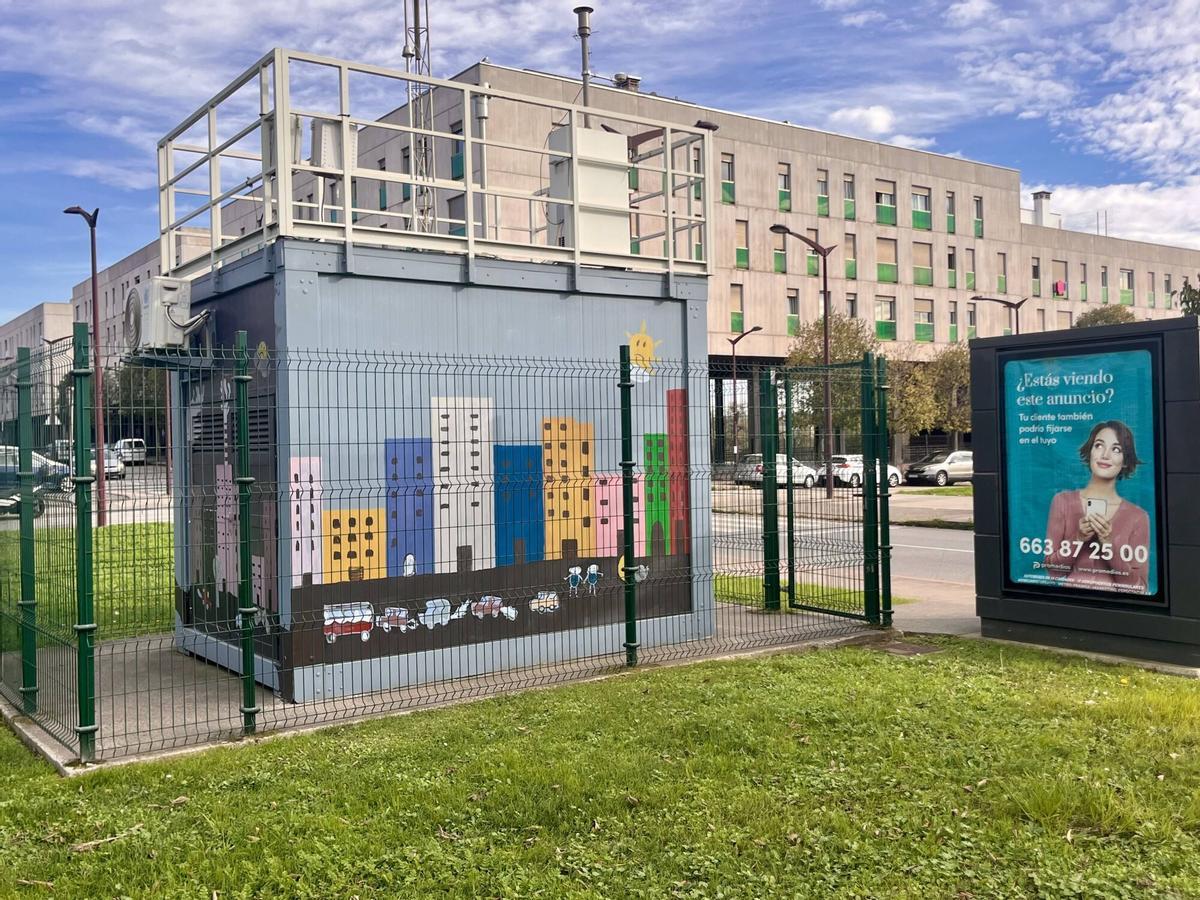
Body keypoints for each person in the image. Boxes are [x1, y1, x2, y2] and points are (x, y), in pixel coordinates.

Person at [1042, 420, 1150, 593]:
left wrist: (1109, 545)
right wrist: (1077, 539)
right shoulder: (1062, 501)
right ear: (1090, 451)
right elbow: (1052, 571)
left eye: (1116, 449)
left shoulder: (1138, 517)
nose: (1105, 455)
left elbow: (1138, 588)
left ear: (1125, 460)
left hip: (1114, 612)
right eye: (1099, 445)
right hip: (1069, 605)